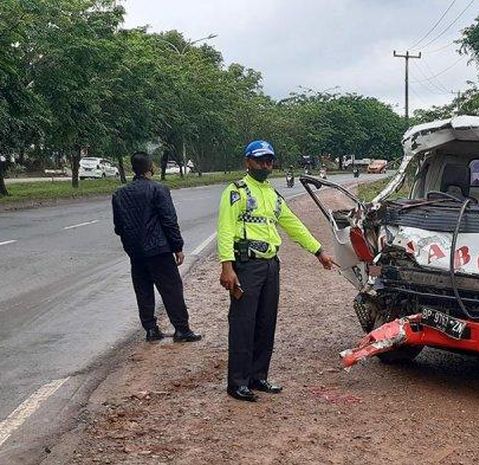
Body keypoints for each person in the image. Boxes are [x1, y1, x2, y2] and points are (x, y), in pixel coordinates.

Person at [217, 140, 334, 402]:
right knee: (243, 324)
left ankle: (258, 377)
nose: (265, 165)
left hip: (270, 265)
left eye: (269, 160)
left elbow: (293, 225)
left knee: (265, 322)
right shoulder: (236, 191)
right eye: (260, 160)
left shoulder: (271, 194)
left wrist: (318, 251)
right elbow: (225, 229)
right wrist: (227, 266)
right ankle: (237, 383)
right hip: (246, 265)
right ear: (248, 162)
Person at [112, 152, 202, 343]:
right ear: (150, 167)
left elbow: (118, 227)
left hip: (136, 252)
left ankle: (151, 329)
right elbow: (169, 220)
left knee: (143, 289)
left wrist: (131, 243)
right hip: (158, 249)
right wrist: (177, 246)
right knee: (171, 288)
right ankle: (182, 329)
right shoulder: (158, 189)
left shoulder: (119, 194)